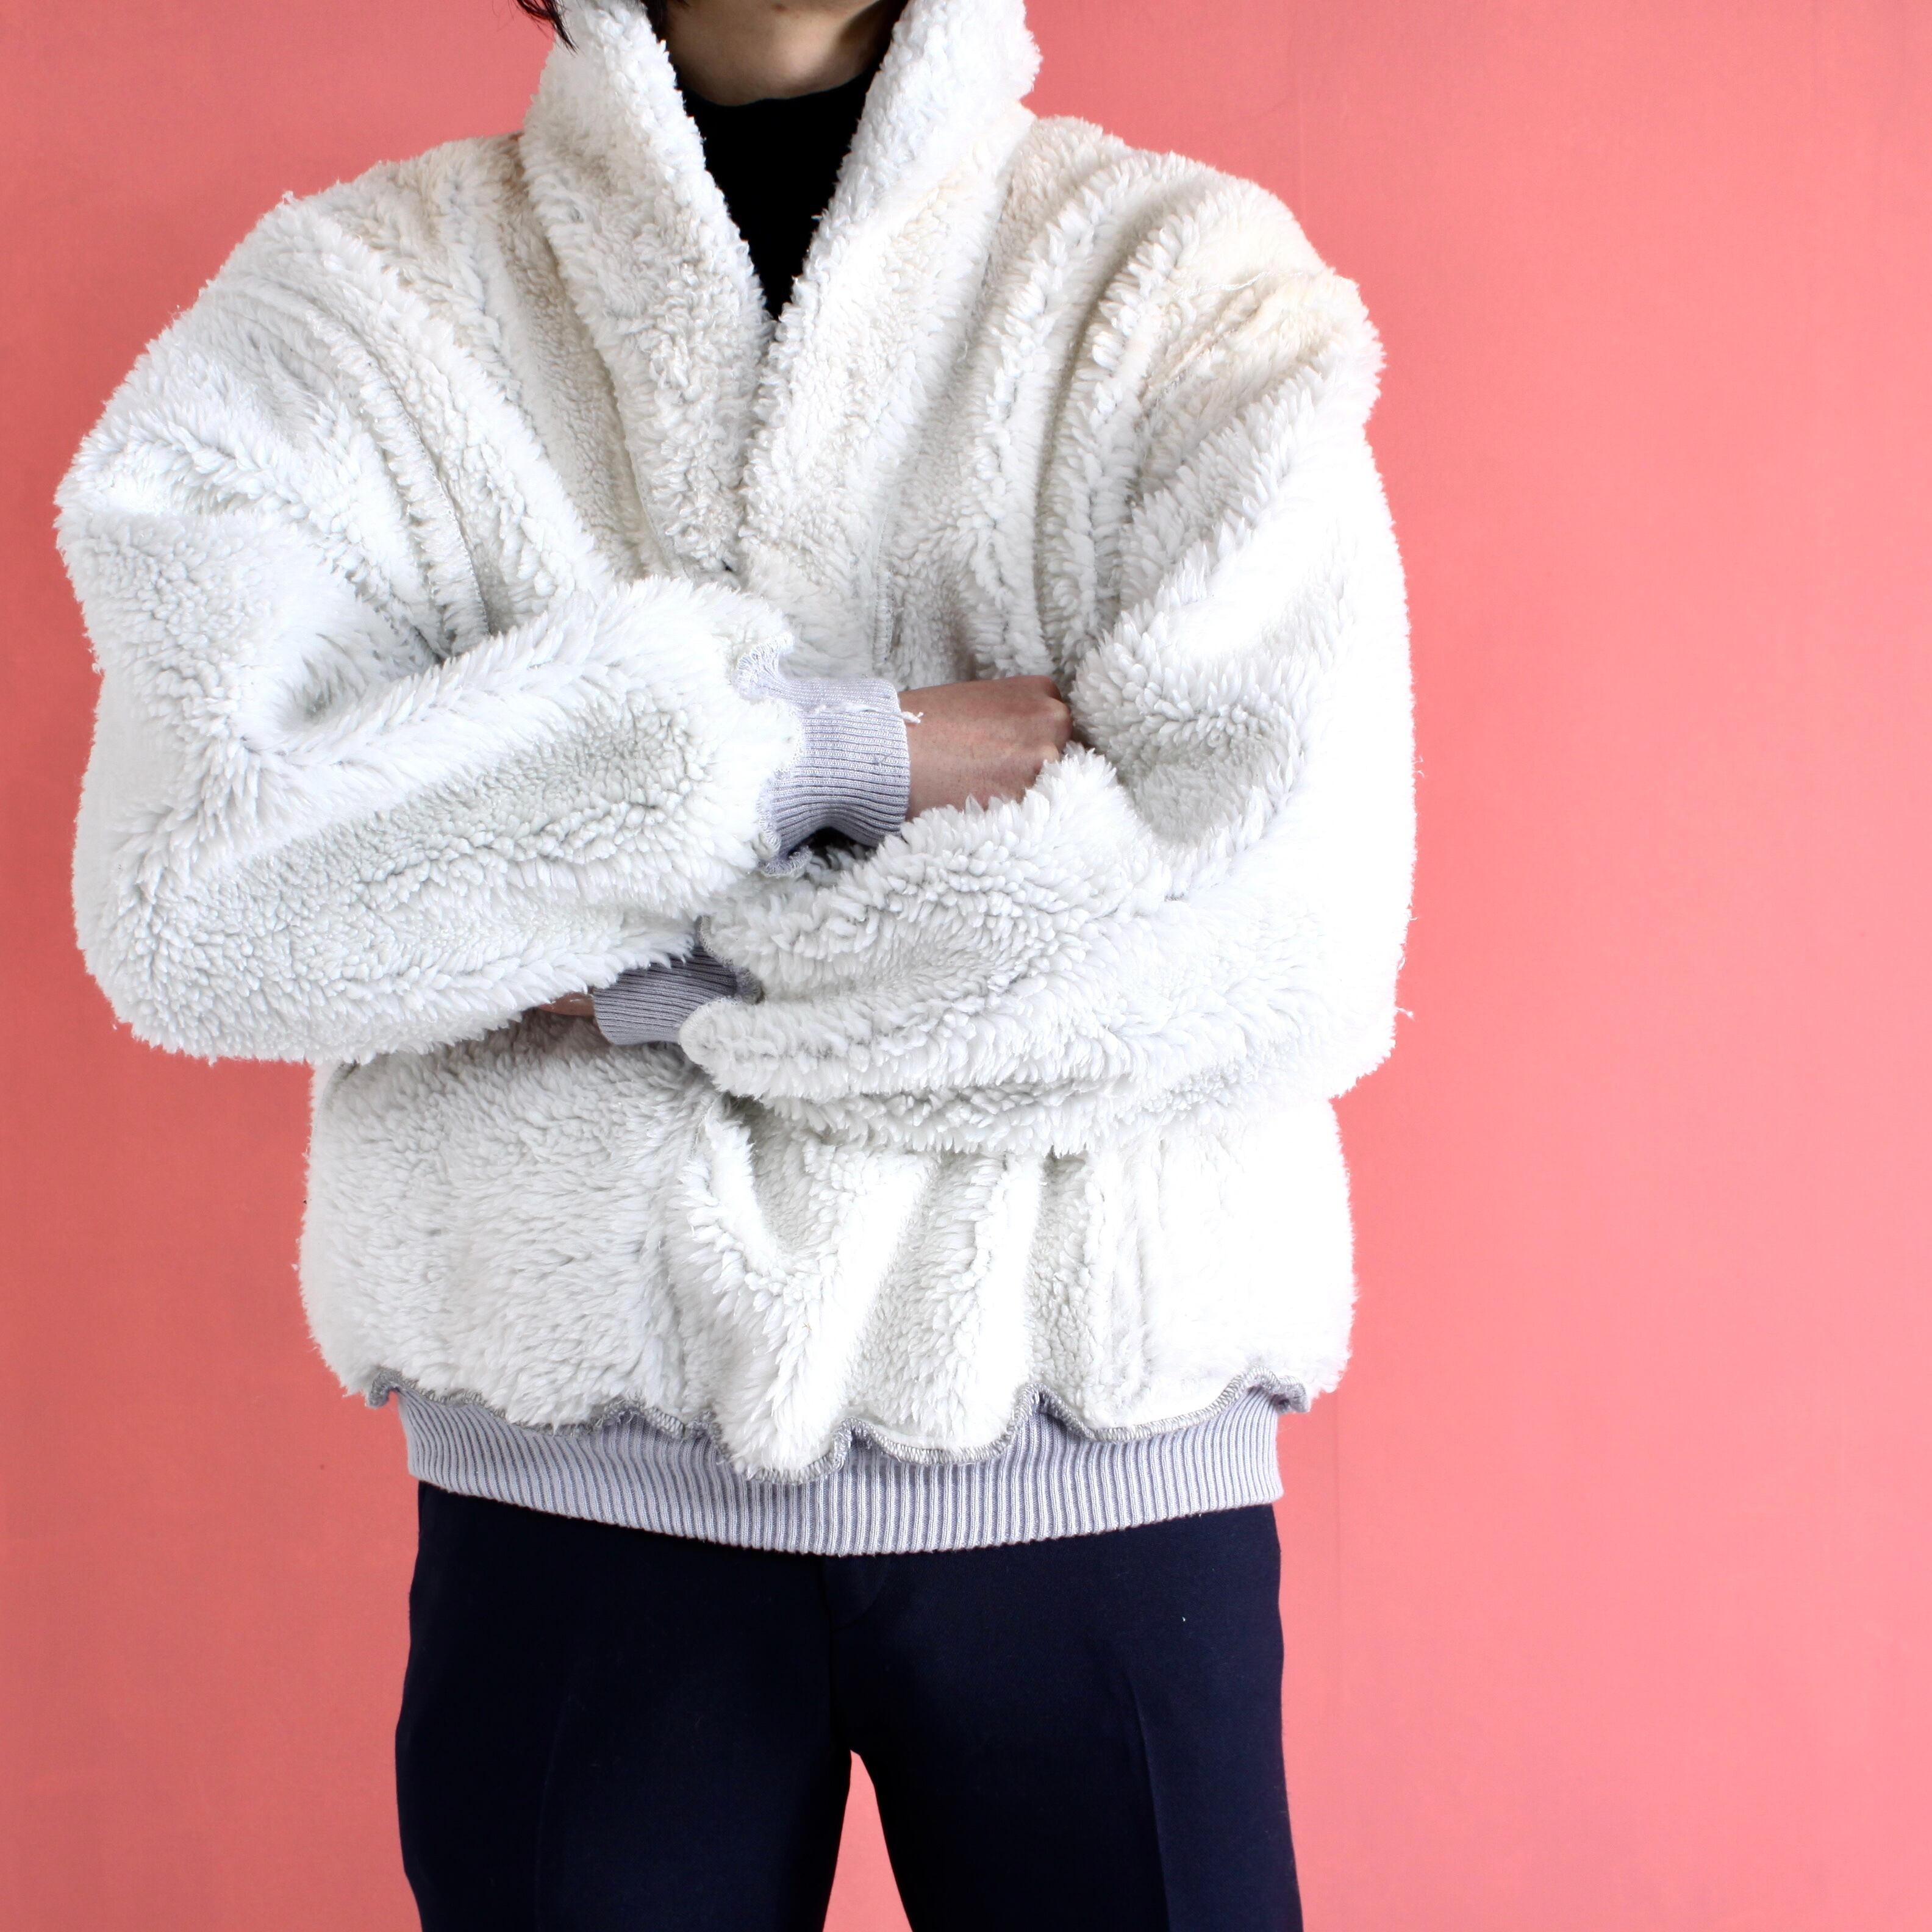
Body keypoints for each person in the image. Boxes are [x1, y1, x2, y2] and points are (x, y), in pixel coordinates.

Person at [57, 0, 1412, 1924]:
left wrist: (634, 970)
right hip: (575, 1508)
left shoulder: (1180, 285)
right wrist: (831, 759)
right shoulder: (351, 317)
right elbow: (205, 891)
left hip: (1103, 1483)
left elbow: (1274, 927)